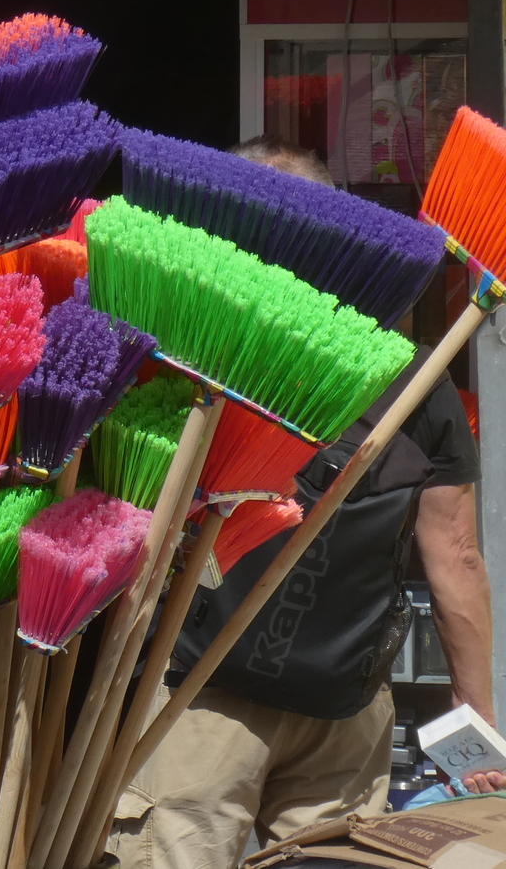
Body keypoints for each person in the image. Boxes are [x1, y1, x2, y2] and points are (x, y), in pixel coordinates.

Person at [108, 137, 499, 869]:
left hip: (194, 700)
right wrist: (473, 712)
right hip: (343, 706)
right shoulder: (411, 378)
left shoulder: (185, 354)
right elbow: (458, 559)